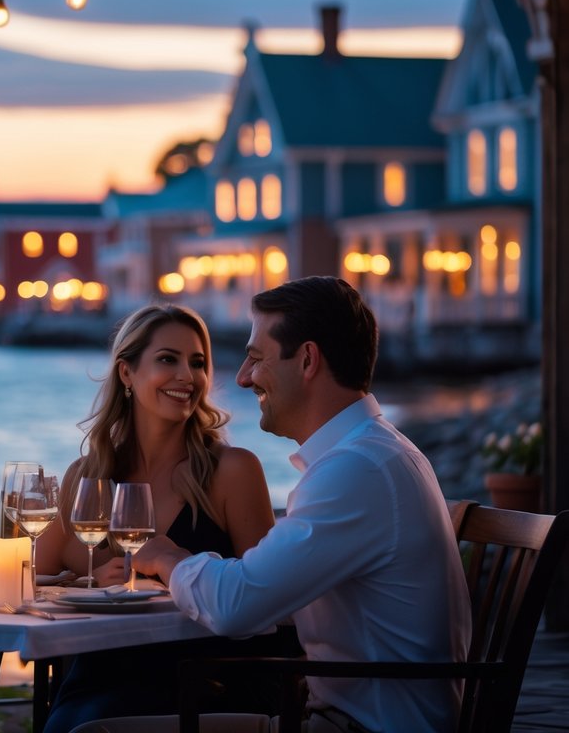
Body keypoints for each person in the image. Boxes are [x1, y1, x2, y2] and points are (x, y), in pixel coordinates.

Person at [133, 276, 471, 732]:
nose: (242, 377)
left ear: (307, 360)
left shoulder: (356, 470)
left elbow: (236, 607)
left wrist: (168, 557)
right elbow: (269, 597)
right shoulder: (377, 453)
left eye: (255, 358)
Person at [38, 303, 288, 733]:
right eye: (167, 360)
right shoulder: (88, 476)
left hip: (203, 680)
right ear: (126, 374)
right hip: (100, 674)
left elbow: (269, 607)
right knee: (72, 719)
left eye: (198, 363)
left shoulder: (233, 470)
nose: (187, 378)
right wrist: (90, 582)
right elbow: (33, 577)